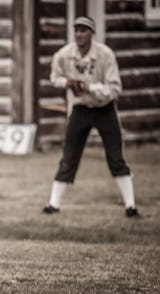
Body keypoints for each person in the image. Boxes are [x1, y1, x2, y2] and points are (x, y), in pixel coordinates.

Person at [42, 16, 139, 218]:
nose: (79, 34)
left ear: (92, 33)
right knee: (69, 157)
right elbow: (54, 78)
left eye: (84, 30)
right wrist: (68, 83)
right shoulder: (64, 54)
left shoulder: (105, 55)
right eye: (76, 30)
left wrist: (89, 87)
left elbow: (115, 89)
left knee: (116, 157)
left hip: (105, 109)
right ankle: (53, 205)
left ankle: (131, 206)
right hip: (80, 109)